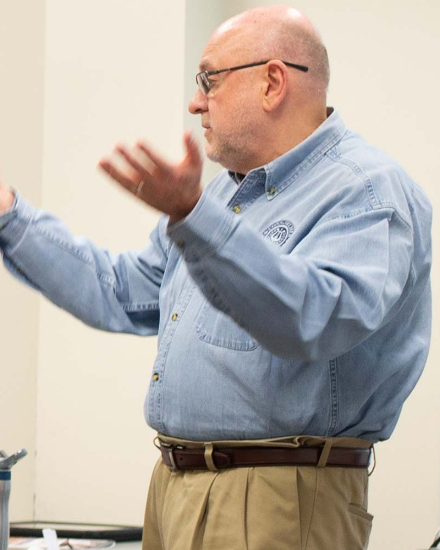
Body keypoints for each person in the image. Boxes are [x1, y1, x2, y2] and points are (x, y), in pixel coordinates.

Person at [0, 4, 432, 550]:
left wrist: (195, 219)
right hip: (174, 487)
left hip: (279, 497)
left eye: (209, 79)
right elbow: (120, 292)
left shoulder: (366, 191)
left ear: (273, 81)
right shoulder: (224, 194)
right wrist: (11, 215)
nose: (195, 100)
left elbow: (314, 319)